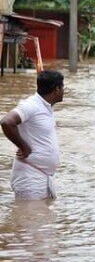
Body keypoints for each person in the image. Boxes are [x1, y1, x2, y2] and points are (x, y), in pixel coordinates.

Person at [1, 71, 64, 200]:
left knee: (42, 218)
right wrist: (24, 147)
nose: (64, 91)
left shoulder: (46, 107)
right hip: (30, 176)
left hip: (44, 175)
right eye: (63, 87)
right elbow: (7, 122)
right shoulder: (32, 105)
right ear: (57, 89)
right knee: (29, 218)